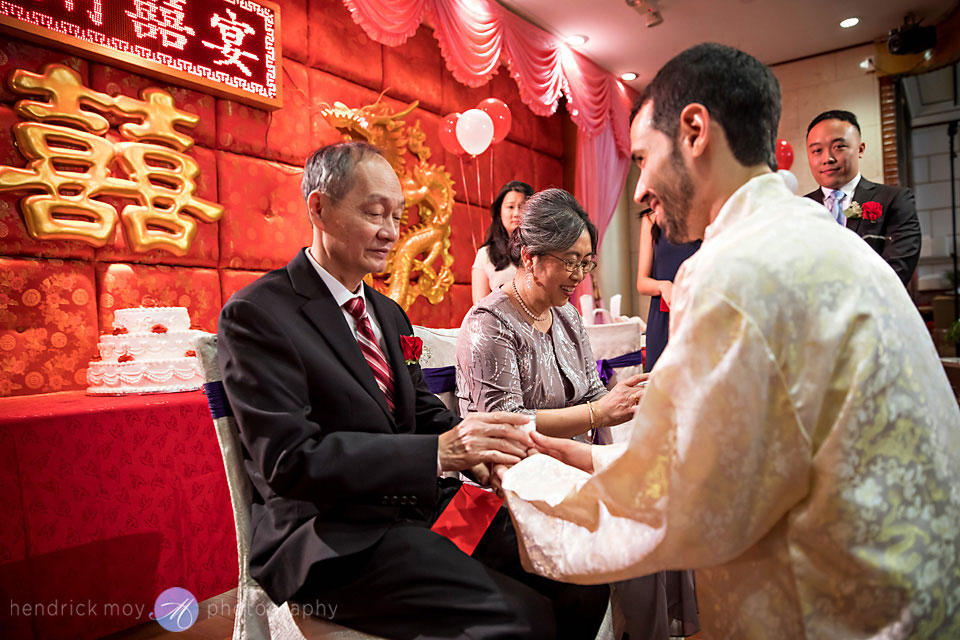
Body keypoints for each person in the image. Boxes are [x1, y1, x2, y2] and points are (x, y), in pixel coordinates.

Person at [496, 43, 960, 639]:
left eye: (642, 158)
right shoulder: (807, 234)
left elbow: (687, 507)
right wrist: (593, 456)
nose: (637, 190)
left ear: (694, 131)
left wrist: (525, 484)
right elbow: (746, 455)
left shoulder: (737, 269)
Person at [217, 141, 610, 639]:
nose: (391, 232)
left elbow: (424, 412)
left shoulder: (387, 313)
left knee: (580, 569)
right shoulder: (260, 314)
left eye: (397, 215)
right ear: (318, 207)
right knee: (515, 615)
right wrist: (439, 454)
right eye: (375, 212)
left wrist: (479, 454)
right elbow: (288, 462)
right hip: (337, 536)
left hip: (429, 504)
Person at [457, 188, 699, 640]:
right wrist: (598, 412)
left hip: (570, 462)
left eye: (586, 262)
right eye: (570, 261)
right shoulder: (488, 324)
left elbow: (591, 393)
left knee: (655, 501)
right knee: (618, 535)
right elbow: (504, 425)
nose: (580, 276)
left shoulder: (566, 315)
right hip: (511, 481)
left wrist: (628, 401)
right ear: (529, 257)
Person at [804, 109, 921, 285]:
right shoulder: (799, 208)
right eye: (817, 150)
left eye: (838, 147)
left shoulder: (895, 200)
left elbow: (896, 272)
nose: (827, 158)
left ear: (860, 149)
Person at [635, 208, 700, 370]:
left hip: (697, 311)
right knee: (657, 386)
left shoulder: (703, 214)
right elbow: (641, 282)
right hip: (662, 318)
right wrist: (663, 285)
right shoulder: (650, 219)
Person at [472, 180, 534, 302]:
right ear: (500, 212)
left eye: (522, 207)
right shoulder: (485, 254)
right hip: (500, 320)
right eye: (510, 207)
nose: (516, 213)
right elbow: (479, 308)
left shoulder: (543, 250)